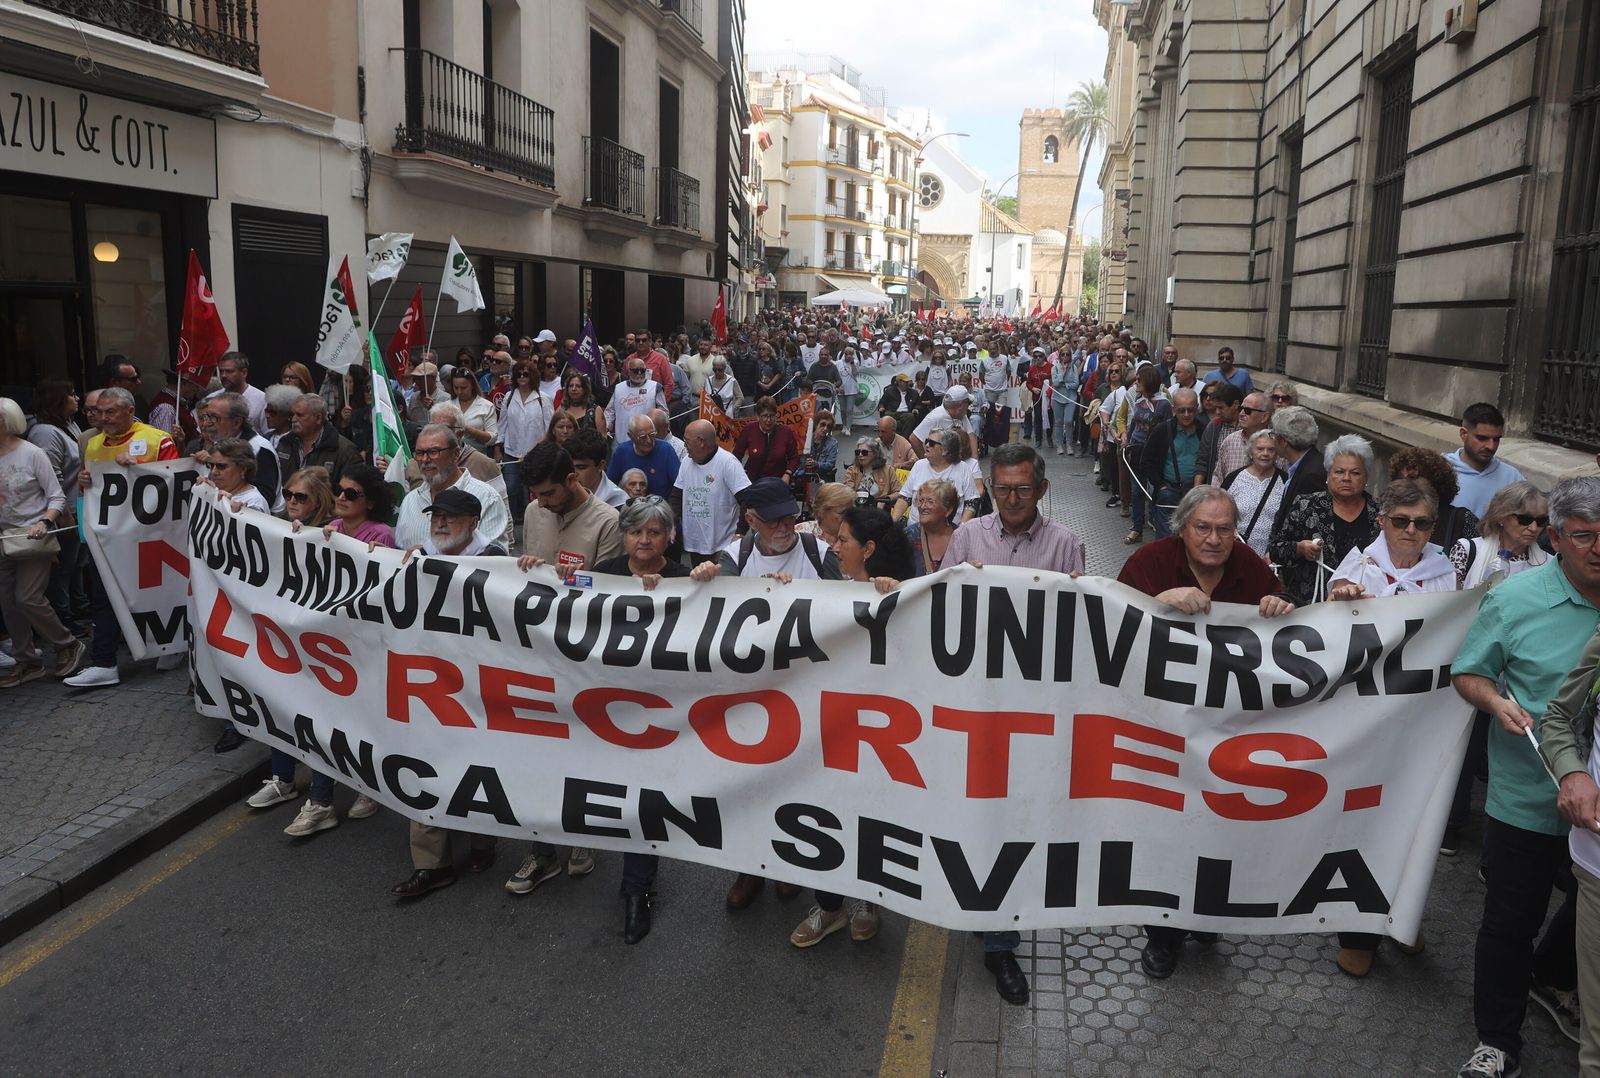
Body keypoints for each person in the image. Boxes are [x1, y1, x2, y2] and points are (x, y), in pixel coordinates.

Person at [1449, 475, 1600, 1078]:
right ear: (1557, 538)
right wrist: (1493, 702)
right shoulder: (1514, 599)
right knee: (1511, 921)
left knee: (1585, 909)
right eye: (1586, 536)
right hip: (1528, 797)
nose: (1599, 547)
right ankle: (1497, 1041)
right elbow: (1468, 672)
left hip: (1597, 816)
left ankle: (1554, 974)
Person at [1118, 485, 1294, 982]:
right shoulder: (1149, 564)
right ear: (1183, 527)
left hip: (1225, 734)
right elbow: (1109, 627)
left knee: (1220, 830)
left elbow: (1283, 619)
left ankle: (1207, 917)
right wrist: (1156, 601)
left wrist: (1281, 607)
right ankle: (1163, 934)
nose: (1215, 539)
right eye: (1204, 528)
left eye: (1224, 529)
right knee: (1168, 833)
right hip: (1162, 730)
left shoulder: (1250, 565)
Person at [939, 442, 1086, 1006]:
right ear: (989, 488)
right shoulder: (968, 538)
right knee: (977, 812)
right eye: (1002, 488)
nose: (1012, 498)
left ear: (1042, 490)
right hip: (973, 704)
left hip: (1033, 713)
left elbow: (1077, 628)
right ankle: (988, 919)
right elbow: (940, 615)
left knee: (1014, 821)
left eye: (1023, 488)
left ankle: (1001, 940)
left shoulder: (1067, 543)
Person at [689, 476, 840, 912]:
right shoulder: (734, 558)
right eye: (774, 520)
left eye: (791, 515)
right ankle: (750, 867)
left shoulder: (819, 554)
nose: (786, 525)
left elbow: (845, 610)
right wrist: (703, 581)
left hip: (808, 697)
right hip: (752, 700)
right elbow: (714, 623)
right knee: (752, 788)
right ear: (751, 519)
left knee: (803, 787)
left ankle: (794, 865)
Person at [787, 505, 913, 950]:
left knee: (871, 819)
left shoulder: (903, 596)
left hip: (879, 737)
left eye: (843, 541)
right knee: (824, 817)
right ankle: (829, 906)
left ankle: (869, 901)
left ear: (870, 549)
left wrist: (894, 596)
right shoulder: (831, 593)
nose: (834, 547)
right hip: (828, 733)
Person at [501, 443, 622, 896]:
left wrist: (567, 581)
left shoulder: (607, 522)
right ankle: (542, 849)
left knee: (583, 759)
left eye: (549, 493)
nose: (543, 503)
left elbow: (606, 595)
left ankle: (582, 838)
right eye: (536, 494)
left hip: (582, 664)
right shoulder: (533, 513)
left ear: (573, 479)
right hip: (534, 658)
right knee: (536, 760)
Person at [389, 488, 505, 899]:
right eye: (436, 515)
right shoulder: (419, 560)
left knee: (477, 769)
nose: (439, 522)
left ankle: (482, 840)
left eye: (450, 516)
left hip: (479, 690)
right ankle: (430, 864)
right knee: (425, 767)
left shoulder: (497, 563)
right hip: (428, 687)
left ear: (473, 521)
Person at [588, 496, 692, 942]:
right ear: (624, 536)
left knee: (643, 802)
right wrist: (541, 574)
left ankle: (637, 890)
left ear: (669, 536)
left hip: (659, 716)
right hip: (598, 708)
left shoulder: (688, 580)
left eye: (653, 532)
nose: (644, 540)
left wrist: (706, 583)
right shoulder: (605, 574)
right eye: (635, 532)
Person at [65, 388, 179, 692]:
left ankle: (171, 646)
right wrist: (84, 483)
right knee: (104, 599)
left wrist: (140, 470)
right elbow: (92, 490)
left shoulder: (157, 439)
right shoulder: (93, 444)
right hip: (110, 541)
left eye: (110, 412)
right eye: (99, 412)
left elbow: (176, 483)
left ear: (130, 411)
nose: (103, 418)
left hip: (152, 540)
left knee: (158, 593)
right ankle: (104, 663)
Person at [0, 397, 83, 687]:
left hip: (34, 537)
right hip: (3, 539)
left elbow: (56, 495)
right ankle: (27, 661)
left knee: (27, 597)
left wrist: (45, 522)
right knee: (8, 603)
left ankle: (67, 642)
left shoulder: (32, 453)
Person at [1269, 434, 1379, 606]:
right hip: (1313, 607)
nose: (1346, 478)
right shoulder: (1305, 505)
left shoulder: (1379, 512)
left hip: (1365, 604)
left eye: (1355, 473)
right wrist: (1300, 549)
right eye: (1339, 471)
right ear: (1328, 474)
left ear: (1366, 478)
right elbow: (1276, 550)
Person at [24, 381, 85, 634]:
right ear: (57, 400)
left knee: (78, 562)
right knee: (62, 566)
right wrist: (64, 514)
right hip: (62, 511)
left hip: (76, 505)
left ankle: (78, 607)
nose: (77, 398)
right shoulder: (45, 432)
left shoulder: (68, 425)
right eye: (71, 394)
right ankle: (63, 616)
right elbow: (52, 475)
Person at [395, 425, 509, 551]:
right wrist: (383, 554)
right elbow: (401, 554)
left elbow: (493, 561)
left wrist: (429, 557)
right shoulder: (409, 501)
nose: (425, 459)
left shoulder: (487, 498)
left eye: (433, 452)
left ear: (455, 454)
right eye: (420, 453)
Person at [674, 420, 751, 564]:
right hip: (695, 545)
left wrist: (740, 533)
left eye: (687, 441)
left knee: (721, 585)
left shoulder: (728, 463)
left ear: (701, 442)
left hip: (723, 547)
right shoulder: (686, 462)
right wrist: (671, 524)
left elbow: (748, 498)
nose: (684, 445)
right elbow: (676, 497)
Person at [1138, 386, 1207, 539]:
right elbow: (1146, 461)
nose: (1187, 415)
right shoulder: (1162, 430)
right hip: (1169, 492)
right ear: (1174, 409)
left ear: (1197, 409)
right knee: (1166, 540)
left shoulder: (1205, 430)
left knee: (1194, 538)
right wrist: (1160, 485)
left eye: (1190, 410)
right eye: (1182, 410)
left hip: (1196, 493)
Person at [197, 392, 282, 513]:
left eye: (214, 418)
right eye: (207, 417)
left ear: (237, 422)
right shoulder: (219, 443)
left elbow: (266, 497)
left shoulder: (260, 448)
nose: (206, 424)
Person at [1391, 445, 1480, 551]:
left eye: (1412, 478)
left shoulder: (1461, 519)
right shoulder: (1388, 515)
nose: (1404, 484)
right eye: (1400, 478)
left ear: (1434, 482)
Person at [1120, 365, 1172, 545]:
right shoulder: (1138, 399)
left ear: (1148, 381)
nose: (1135, 383)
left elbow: (1167, 430)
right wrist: (1127, 439)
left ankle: (1158, 524)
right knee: (1136, 490)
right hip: (1136, 449)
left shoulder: (1164, 404)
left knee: (1155, 489)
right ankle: (1136, 528)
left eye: (1138, 380)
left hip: (1154, 453)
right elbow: (1135, 421)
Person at [495, 359, 555, 516]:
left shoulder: (544, 399)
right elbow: (502, 425)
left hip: (536, 453)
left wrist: (533, 451)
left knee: (533, 489)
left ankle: (535, 519)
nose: (522, 377)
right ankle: (512, 520)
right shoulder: (508, 397)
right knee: (511, 487)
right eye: (519, 374)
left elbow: (550, 429)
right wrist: (498, 447)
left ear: (532, 376)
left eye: (526, 374)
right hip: (511, 451)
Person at [1450, 403, 1525, 518]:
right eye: (1482, 438)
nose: (1490, 446)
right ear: (1464, 434)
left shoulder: (1512, 478)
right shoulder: (1440, 470)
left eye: (1496, 440)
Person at [1220, 429, 1287, 559]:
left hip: (1269, 557)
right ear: (1251, 452)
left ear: (1277, 454)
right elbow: (1220, 512)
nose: (1265, 454)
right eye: (1260, 449)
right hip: (1236, 552)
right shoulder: (1234, 478)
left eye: (1271, 450)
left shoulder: (1285, 481)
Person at [893, 429, 978, 527]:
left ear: (945, 450)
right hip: (916, 530)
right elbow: (905, 498)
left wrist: (962, 527)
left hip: (950, 531)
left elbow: (971, 503)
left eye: (932, 443)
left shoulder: (963, 468)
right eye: (927, 441)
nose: (927, 445)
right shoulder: (919, 465)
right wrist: (892, 521)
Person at [280, 394, 360, 486]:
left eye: (299, 415)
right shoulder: (284, 444)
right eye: (293, 414)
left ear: (318, 418)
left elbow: (350, 490)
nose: (293, 419)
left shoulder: (344, 450)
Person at [608, 415, 680, 498]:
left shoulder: (666, 450)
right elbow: (610, 485)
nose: (649, 441)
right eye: (643, 437)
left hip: (661, 506)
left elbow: (679, 485)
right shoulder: (622, 452)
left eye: (652, 434)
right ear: (631, 436)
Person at [1208, 390, 1272, 485]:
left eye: (1247, 411)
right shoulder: (1230, 441)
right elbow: (1218, 477)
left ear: (1264, 417)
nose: (1241, 414)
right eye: (1241, 408)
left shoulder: (1277, 444)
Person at [326, 463, 396, 547]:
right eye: (338, 490)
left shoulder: (382, 535)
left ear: (370, 502)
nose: (341, 497)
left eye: (350, 494)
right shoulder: (333, 526)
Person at [604, 354, 668, 445]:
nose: (639, 373)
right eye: (635, 371)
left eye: (642, 371)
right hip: (621, 439)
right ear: (629, 371)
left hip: (647, 440)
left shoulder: (655, 387)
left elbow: (664, 413)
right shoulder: (619, 388)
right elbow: (610, 412)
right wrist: (605, 428)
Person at [733, 396, 799, 484]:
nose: (768, 420)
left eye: (772, 416)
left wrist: (788, 474)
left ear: (776, 415)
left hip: (778, 484)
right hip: (754, 484)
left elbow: (794, 457)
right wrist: (740, 474)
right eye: (764, 416)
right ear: (757, 416)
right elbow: (736, 456)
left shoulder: (786, 432)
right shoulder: (748, 430)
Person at [197, 437, 270, 513]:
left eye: (221, 466)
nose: (213, 472)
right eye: (211, 466)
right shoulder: (213, 489)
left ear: (243, 469)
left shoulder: (254, 504)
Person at [904, 479, 960, 576]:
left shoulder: (962, 537)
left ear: (948, 510)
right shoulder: (907, 536)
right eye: (921, 501)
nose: (923, 506)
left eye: (930, 502)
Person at [910, 385, 978, 461]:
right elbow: (914, 439)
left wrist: (974, 460)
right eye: (968, 403)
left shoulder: (960, 414)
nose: (968, 406)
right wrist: (926, 461)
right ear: (960, 406)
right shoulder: (935, 417)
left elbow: (971, 435)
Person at [206, 351, 267, 432]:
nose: (223, 376)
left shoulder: (262, 399)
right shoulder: (212, 398)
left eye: (229, 371)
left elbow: (267, 433)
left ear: (244, 372)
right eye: (221, 371)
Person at [843, 437, 902, 511]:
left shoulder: (888, 470)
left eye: (864, 452)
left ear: (875, 453)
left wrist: (886, 499)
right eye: (857, 452)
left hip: (879, 513)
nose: (860, 455)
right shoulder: (851, 470)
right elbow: (847, 490)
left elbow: (898, 492)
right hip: (856, 511)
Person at [451, 369, 498, 454]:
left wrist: (470, 430)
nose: (459, 391)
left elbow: (493, 438)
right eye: (456, 387)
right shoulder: (448, 405)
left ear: (472, 385)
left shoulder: (486, 406)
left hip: (476, 455)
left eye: (463, 388)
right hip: (451, 456)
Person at [794, 482, 852, 546]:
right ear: (822, 511)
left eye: (851, 512)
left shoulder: (857, 535)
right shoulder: (801, 534)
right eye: (842, 513)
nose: (849, 517)